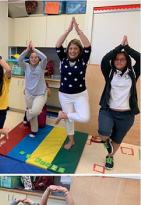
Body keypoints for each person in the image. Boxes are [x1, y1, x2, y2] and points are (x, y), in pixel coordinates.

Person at [98, 35, 140, 170]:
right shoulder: (109, 72)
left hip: (126, 115)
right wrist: (119, 48)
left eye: (122, 59)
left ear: (127, 61)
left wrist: (127, 48)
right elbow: (105, 59)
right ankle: (107, 144)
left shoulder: (133, 72)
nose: (119, 61)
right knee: (103, 132)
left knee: (117, 139)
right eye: (116, 59)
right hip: (108, 111)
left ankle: (110, 156)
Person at [54, 17, 91, 149]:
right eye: (70, 48)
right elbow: (58, 45)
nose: (72, 51)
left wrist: (78, 31)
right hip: (64, 95)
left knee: (84, 117)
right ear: (67, 50)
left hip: (80, 95)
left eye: (75, 48)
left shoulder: (83, 60)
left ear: (79, 51)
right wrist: (68, 30)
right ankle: (71, 140)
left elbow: (88, 46)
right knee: (69, 121)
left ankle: (63, 115)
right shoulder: (63, 58)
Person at [17, 40, 48, 137]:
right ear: (29, 59)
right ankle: (34, 130)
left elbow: (45, 57)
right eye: (31, 57)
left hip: (40, 94)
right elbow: (19, 60)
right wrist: (27, 50)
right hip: (29, 93)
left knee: (36, 111)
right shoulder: (26, 66)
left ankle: (27, 115)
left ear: (38, 59)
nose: (33, 59)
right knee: (33, 114)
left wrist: (34, 49)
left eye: (35, 57)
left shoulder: (42, 66)